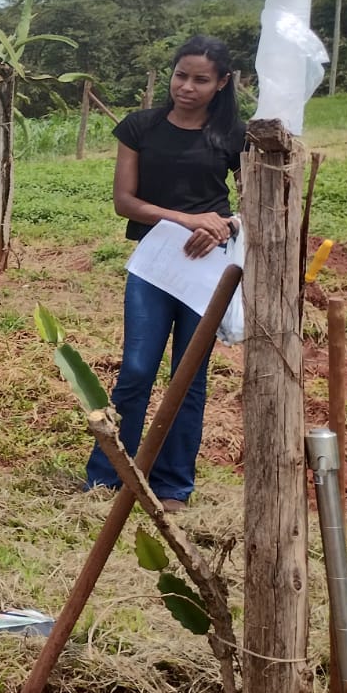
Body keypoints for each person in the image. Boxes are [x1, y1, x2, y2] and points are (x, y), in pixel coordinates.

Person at [85, 35, 245, 511]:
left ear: (221, 83)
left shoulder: (233, 136)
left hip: (207, 268)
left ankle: (174, 484)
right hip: (153, 266)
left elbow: (255, 200)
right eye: (181, 76)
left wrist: (226, 225)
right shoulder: (140, 127)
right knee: (134, 371)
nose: (187, 87)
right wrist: (187, 219)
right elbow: (125, 203)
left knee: (188, 375)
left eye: (200, 80)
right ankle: (109, 475)